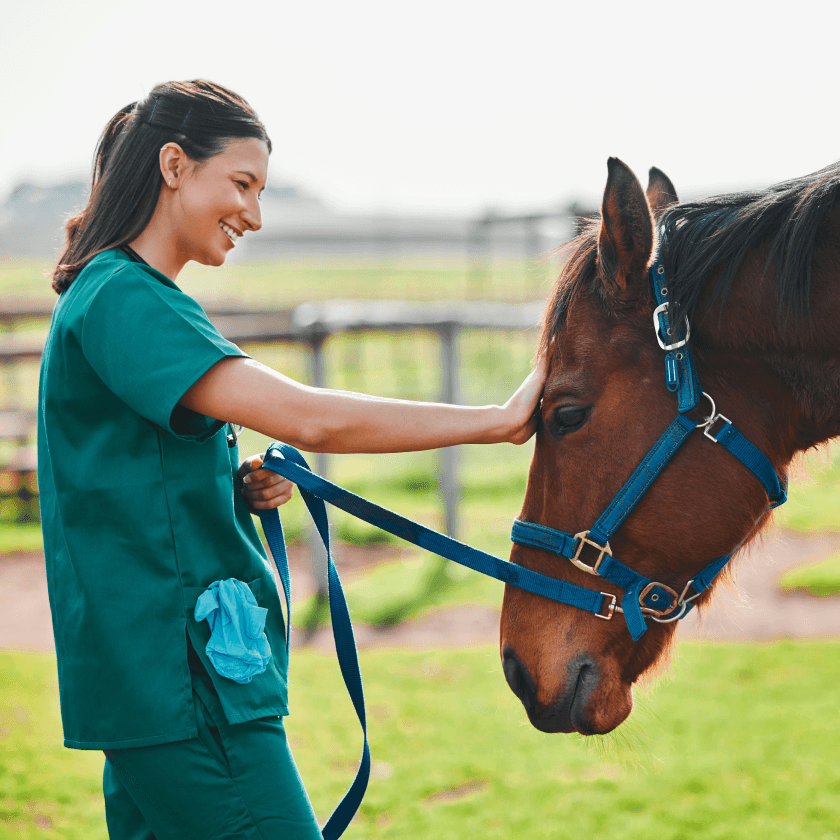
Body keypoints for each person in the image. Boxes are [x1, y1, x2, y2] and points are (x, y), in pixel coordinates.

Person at [38, 79, 547, 840]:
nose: (255, 213)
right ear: (174, 165)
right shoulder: (125, 297)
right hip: (187, 685)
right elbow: (312, 416)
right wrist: (498, 421)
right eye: (241, 183)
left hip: (152, 683)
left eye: (262, 190)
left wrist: (235, 484)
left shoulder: (115, 292)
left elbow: (132, 474)